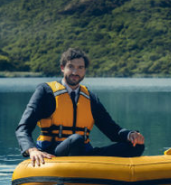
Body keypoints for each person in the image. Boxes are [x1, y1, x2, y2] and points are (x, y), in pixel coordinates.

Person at [16, 48, 145, 166]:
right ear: (62, 68)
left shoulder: (90, 98)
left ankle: (98, 174)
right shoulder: (45, 91)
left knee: (136, 146)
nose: (75, 72)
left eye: (80, 68)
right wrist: (32, 150)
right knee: (76, 139)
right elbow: (23, 128)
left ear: (84, 71)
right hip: (53, 154)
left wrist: (130, 135)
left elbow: (112, 130)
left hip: (85, 154)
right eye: (71, 67)